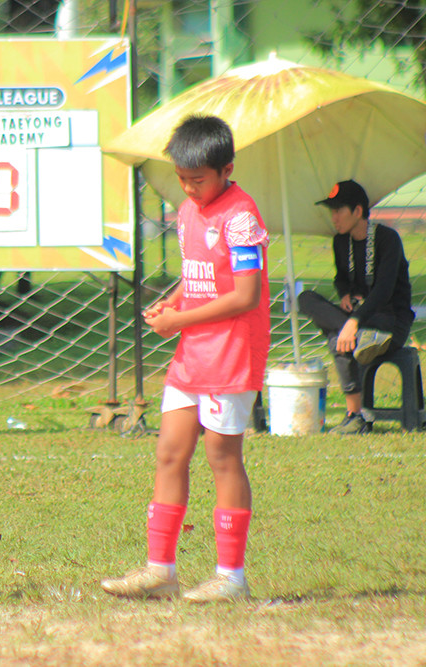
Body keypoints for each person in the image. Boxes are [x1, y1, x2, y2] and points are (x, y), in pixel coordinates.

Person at [100, 115, 270, 603]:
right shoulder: (188, 211)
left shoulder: (241, 217)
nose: (189, 189)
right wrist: (173, 303)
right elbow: (200, 275)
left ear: (227, 169)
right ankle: (161, 571)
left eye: (198, 180)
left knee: (222, 456)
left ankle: (231, 577)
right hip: (192, 352)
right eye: (182, 179)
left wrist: (180, 320)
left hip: (231, 354)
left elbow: (245, 295)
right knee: (170, 452)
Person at [297, 179, 414, 435]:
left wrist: (353, 322)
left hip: (390, 321)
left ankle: (355, 415)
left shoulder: (387, 239)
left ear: (358, 211)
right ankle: (359, 338)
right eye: (332, 211)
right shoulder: (341, 242)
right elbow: (341, 278)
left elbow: (383, 291)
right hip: (359, 320)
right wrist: (345, 294)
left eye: (338, 210)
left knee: (336, 339)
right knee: (305, 298)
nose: (334, 217)